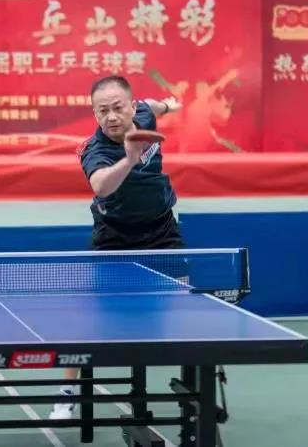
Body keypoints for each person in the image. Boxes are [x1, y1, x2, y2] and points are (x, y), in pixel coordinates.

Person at [49, 75, 183, 420]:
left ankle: (193, 388)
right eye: (102, 111)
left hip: (162, 231)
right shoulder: (94, 150)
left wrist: (170, 105)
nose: (110, 116)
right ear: (94, 114)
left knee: (189, 304)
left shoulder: (144, 114)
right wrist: (129, 158)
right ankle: (66, 393)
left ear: (131, 106)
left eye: (117, 108)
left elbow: (153, 106)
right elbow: (101, 186)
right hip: (114, 237)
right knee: (87, 318)